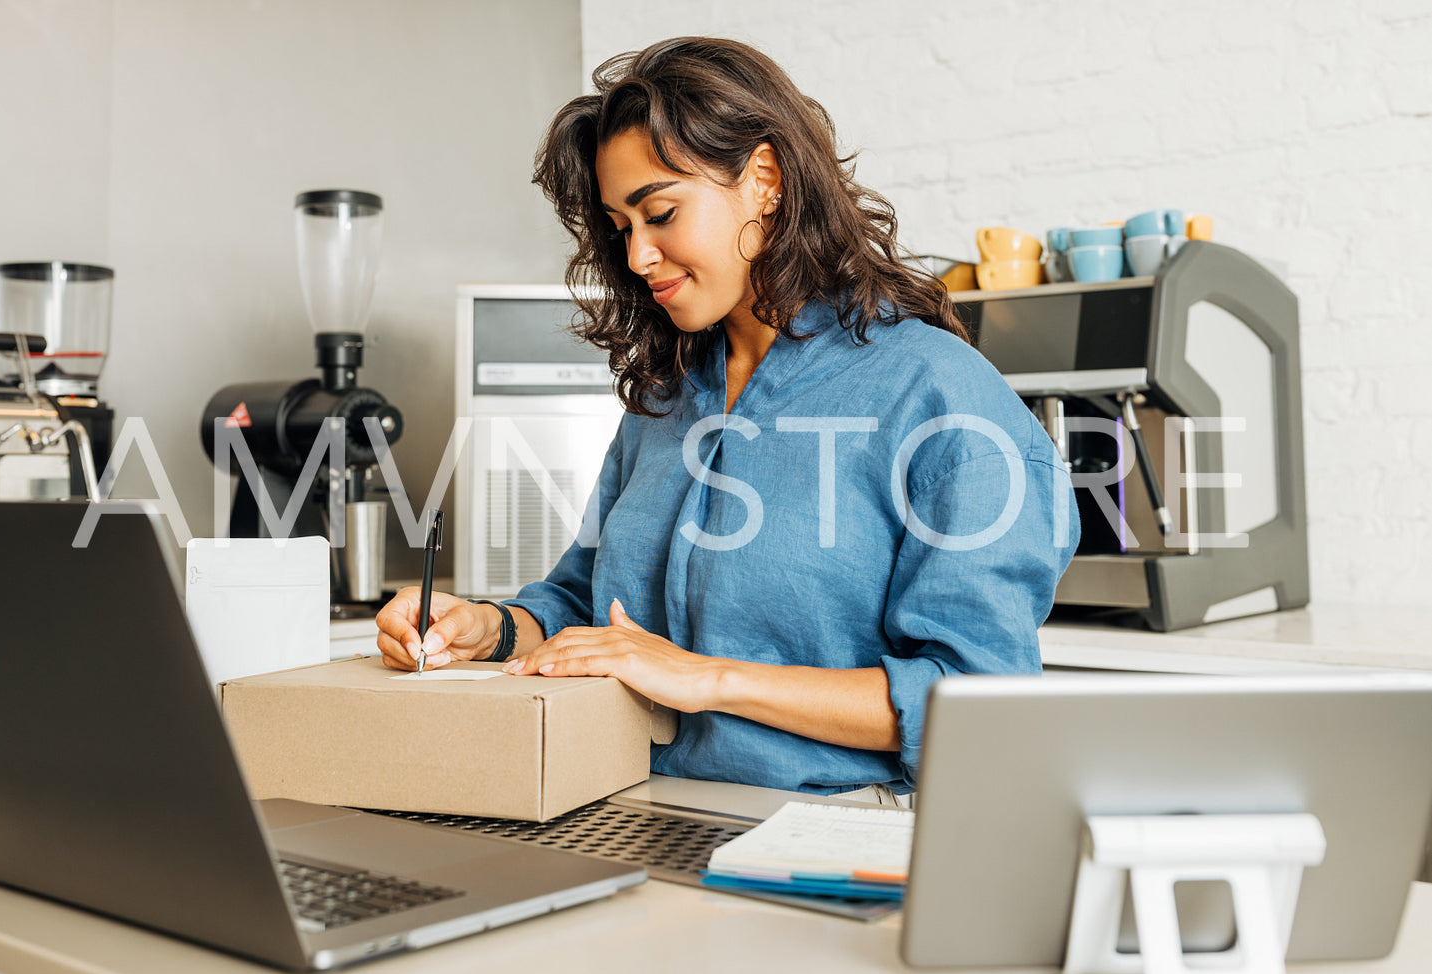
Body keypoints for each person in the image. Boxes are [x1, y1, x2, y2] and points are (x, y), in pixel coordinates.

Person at [377, 36, 1079, 799]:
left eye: (661, 213)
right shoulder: (666, 396)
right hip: (634, 805)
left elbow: (974, 703)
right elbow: (586, 606)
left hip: (830, 836)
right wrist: (487, 627)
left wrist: (707, 678)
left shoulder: (938, 397)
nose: (639, 256)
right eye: (621, 227)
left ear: (764, 181)